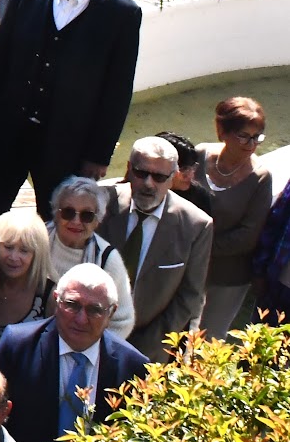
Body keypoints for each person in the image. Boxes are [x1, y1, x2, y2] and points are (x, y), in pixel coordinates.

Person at [0, 0, 142, 223]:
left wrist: (98, 155)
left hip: (67, 144)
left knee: (58, 225)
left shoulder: (122, 13)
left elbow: (117, 90)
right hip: (9, 134)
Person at [0, 263, 149, 442]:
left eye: (94, 310)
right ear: (56, 300)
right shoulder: (18, 346)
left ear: (111, 312)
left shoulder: (132, 367)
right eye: (72, 305)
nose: (81, 319)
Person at [98, 136, 214, 362]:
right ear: (129, 169)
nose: (149, 183)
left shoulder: (196, 225)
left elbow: (189, 296)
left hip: (148, 348)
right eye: (142, 173)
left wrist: (149, 345)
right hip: (86, 331)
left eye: (159, 177)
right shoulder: (101, 203)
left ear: (173, 178)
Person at [193, 96, 274, 337]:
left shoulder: (261, 177)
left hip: (228, 277)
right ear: (222, 131)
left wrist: (199, 246)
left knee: (209, 340)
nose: (251, 144)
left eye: (257, 136)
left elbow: (248, 235)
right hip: (187, 266)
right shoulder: (198, 155)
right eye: (243, 135)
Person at [48, 176, 136, 340]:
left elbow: (123, 321)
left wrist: (89, 348)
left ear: (97, 220)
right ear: (56, 214)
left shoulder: (108, 260)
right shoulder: (36, 242)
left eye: (86, 215)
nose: (76, 221)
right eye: (68, 212)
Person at [0, 211, 54, 354]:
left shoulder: (49, 296)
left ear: (37, 254)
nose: (14, 257)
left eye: (24, 250)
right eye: (8, 247)